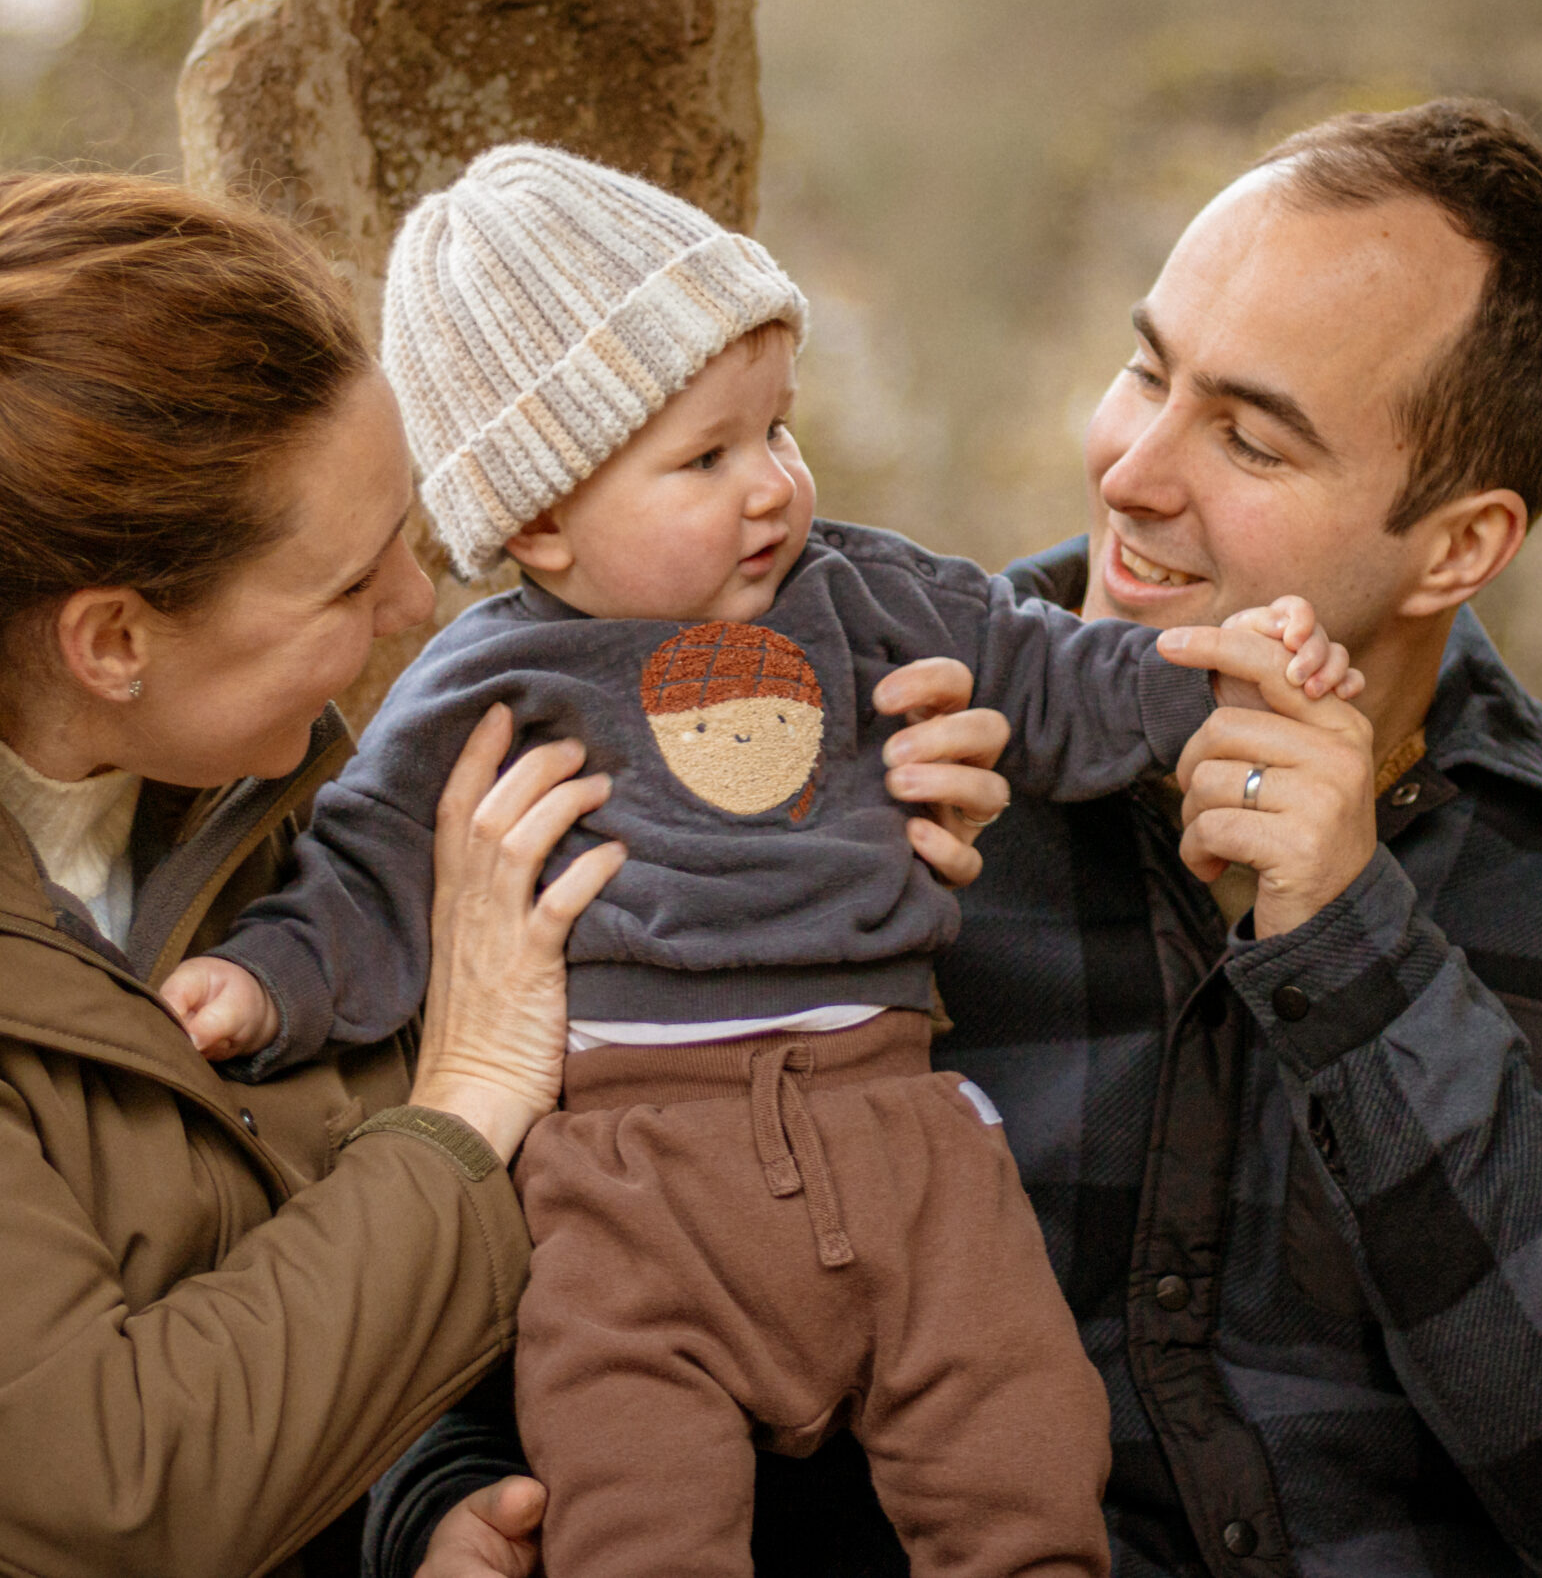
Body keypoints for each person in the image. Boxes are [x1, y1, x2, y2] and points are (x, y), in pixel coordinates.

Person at [376, 102, 1542, 1577]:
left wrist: (1360, 952)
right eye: (1148, 371)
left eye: (1252, 440)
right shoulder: (821, 733)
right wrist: (439, 1501)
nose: (1132, 471)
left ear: (1460, 543)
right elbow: (542, 1236)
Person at [0, 170, 1009, 1578]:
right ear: (113, 640)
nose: (414, 601)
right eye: (348, 575)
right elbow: (127, 1495)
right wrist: (463, 1103)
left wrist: (819, 817)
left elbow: (344, 1307)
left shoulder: (255, 806)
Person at [154, 144, 1362, 1578]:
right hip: (625, 1173)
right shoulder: (489, 683)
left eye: (777, 430)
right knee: (623, 1455)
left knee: (1014, 1414)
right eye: (707, 457)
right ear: (542, 519)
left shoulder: (863, 593)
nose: (772, 487)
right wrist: (260, 982)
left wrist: (1219, 676)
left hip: (894, 1122)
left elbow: (1054, 678)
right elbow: (368, 874)